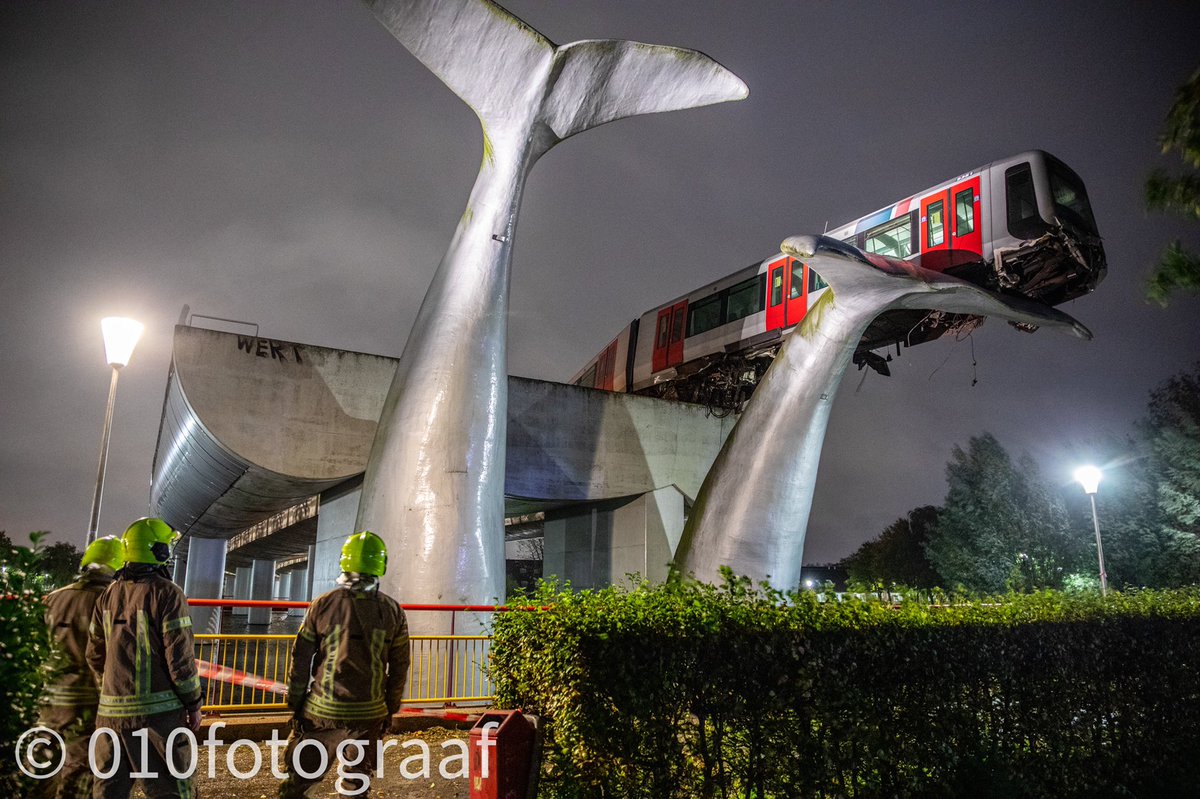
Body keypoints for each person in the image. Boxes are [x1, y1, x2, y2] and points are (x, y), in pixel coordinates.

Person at [279, 531, 410, 798]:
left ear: (344, 562)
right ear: (380, 566)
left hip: (321, 712)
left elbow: (301, 659)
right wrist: (389, 708)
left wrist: (294, 702)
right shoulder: (394, 611)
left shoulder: (322, 605)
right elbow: (399, 667)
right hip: (368, 715)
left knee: (300, 782)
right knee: (355, 785)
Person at [87, 517, 202, 799]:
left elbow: (94, 653)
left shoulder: (108, 595)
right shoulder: (167, 593)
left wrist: (112, 691)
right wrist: (194, 702)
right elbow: (180, 659)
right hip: (157, 720)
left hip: (110, 717)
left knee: (108, 791)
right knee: (173, 790)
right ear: (158, 552)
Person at [36, 535, 124, 799]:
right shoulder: (112, 602)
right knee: (80, 770)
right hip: (90, 698)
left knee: (41, 763)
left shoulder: (52, 598)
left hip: (52, 697)